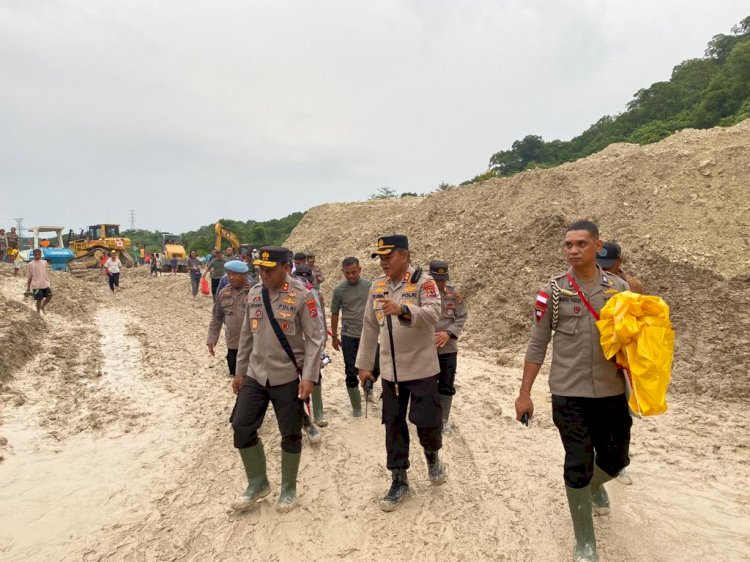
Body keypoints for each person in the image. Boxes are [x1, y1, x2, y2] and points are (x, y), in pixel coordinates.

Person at [515, 220, 631, 562]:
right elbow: (538, 343)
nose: (573, 250)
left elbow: (637, 344)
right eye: (568, 245)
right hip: (568, 392)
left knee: (615, 460)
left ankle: (595, 486)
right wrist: (525, 392)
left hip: (611, 392)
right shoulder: (553, 291)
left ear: (598, 245)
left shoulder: (620, 290)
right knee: (577, 461)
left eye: (581, 243)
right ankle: (585, 542)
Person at [230, 246, 324, 513]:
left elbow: (315, 339)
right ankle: (257, 483)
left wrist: (309, 377)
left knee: (291, 433)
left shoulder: (303, 297)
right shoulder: (254, 293)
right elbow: (246, 335)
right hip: (256, 375)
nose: (263, 275)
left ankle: (288, 488)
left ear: (287, 267)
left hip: (287, 377)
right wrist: (239, 371)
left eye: (269, 270)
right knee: (241, 426)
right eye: (260, 270)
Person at [356, 235, 445, 511]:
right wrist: (364, 365)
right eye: (380, 258)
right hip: (391, 372)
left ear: (404, 256)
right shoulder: (377, 286)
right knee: (393, 424)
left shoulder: (423, 282)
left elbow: (433, 313)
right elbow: (370, 327)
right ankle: (399, 480)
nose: (383, 262)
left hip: (422, 368)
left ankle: (432, 456)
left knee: (426, 421)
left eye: (388, 256)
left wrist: (404, 309)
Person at [597, 241, 646, 486]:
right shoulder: (589, 285)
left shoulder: (632, 287)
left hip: (624, 362)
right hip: (597, 360)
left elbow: (644, 321)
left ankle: (620, 463)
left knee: (623, 417)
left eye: (609, 266)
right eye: (600, 265)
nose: (604, 270)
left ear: (620, 263)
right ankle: (599, 461)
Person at [330, 256, 379, 417]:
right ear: (342, 272)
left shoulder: (370, 287)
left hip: (369, 335)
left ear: (360, 269)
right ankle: (356, 408)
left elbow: (378, 309)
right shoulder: (339, 290)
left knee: (376, 367)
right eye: (347, 273)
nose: (350, 276)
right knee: (351, 372)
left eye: (354, 272)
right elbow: (335, 313)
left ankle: (368, 386)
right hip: (349, 336)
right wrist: (335, 336)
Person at [429, 261, 468, 434]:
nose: (440, 284)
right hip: (426, 348)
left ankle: (443, 420)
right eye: (437, 280)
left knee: (446, 384)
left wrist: (448, 333)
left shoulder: (453, 294)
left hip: (448, 348)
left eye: (443, 280)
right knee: (426, 385)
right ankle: (427, 418)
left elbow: (461, 316)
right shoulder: (421, 292)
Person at [294, 264, 328, 428]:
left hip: (312, 345)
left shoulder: (315, 294)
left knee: (316, 376)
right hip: (295, 347)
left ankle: (319, 411)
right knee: (296, 381)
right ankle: (304, 418)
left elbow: (320, 322)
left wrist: (321, 350)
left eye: (305, 278)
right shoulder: (289, 295)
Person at [207, 260, 253, 378]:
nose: (231, 278)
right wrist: (212, 338)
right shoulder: (223, 293)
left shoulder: (254, 292)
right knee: (234, 374)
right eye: (229, 274)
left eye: (235, 274)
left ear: (244, 275)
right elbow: (217, 317)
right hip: (233, 344)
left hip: (253, 345)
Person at [26, 248, 52, 314]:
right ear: (34, 255)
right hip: (36, 286)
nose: (37, 256)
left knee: (50, 296)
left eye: (38, 254)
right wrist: (28, 287)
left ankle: (42, 307)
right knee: (39, 299)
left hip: (45, 283)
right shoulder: (30, 264)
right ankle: (38, 313)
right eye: (36, 254)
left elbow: (44, 271)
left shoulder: (44, 262)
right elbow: (29, 276)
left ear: (41, 255)